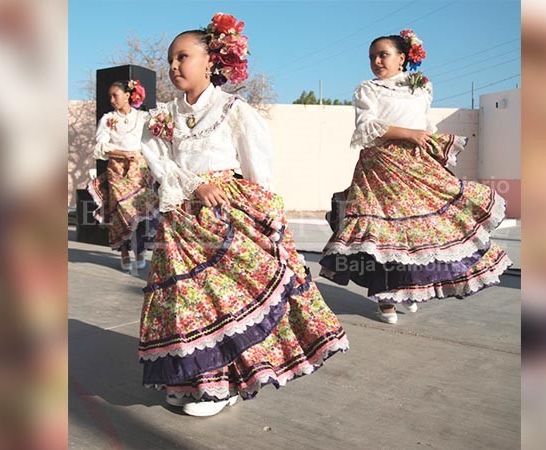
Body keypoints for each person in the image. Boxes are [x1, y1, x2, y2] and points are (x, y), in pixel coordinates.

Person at [137, 13, 348, 417]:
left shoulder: (235, 110)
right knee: (183, 300)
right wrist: (194, 185)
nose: (174, 66)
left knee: (225, 301)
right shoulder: (162, 116)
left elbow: (257, 173)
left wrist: (265, 221)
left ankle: (224, 383)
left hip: (224, 216)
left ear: (212, 62)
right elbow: (158, 162)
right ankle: (188, 377)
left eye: (183, 57)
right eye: (170, 59)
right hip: (182, 219)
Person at [320, 30, 513, 324]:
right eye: (372, 56)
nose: (376, 61)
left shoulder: (421, 88)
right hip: (380, 168)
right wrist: (409, 134)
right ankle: (385, 297)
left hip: (416, 165)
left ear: (402, 58)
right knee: (384, 235)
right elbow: (367, 127)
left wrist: (431, 150)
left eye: (383, 54)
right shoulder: (368, 90)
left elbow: (424, 124)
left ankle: (409, 289)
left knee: (420, 233)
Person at [88, 80, 158, 273]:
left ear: (128, 95)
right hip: (117, 170)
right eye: (109, 96)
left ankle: (141, 249)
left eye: (115, 95)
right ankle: (125, 252)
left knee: (141, 210)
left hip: (139, 169)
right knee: (120, 211)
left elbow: (153, 140)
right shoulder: (108, 119)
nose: (111, 100)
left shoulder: (143, 117)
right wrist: (122, 154)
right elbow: (100, 147)